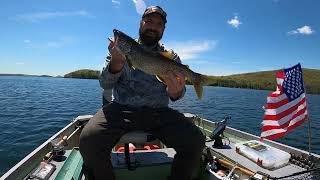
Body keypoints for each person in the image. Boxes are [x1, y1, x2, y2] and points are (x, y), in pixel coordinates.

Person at [79, 6, 205, 180]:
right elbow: (104, 83)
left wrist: (176, 91)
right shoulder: (120, 51)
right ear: (141, 23)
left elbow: (177, 95)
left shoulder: (171, 57)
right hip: (120, 109)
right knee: (88, 140)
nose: (153, 27)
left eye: (159, 24)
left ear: (163, 29)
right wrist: (116, 62)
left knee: (196, 141)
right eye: (149, 21)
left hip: (159, 113)